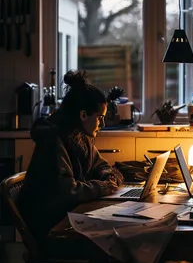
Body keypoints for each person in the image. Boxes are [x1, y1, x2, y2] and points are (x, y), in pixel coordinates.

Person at [16, 70, 124, 245]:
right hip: (48, 226)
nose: (102, 124)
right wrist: (103, 187)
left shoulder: (79, 135)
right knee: (114, 239)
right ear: (83, 115)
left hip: (65, 214)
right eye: (100, 118)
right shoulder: (54, 140)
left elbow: (101, 165)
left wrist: (108, 176)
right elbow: (67, 191)